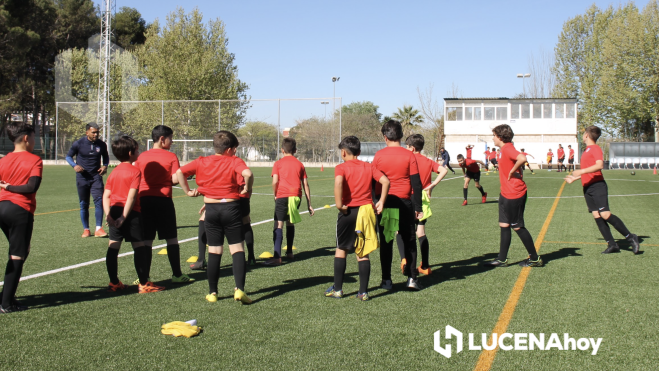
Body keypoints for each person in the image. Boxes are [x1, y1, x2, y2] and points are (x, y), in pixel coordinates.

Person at [176, 131, 254, 303]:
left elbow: (179, 172)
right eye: (234, 149)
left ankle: (213, 293)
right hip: (232, 209)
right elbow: (248, 174)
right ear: (229, 149)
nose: (235, 152)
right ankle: (239, 290)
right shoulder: (234, 161)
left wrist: (188, 191)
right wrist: (246, 189)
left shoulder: (202, 161)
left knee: (214, 251)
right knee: (237, 249)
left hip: (210, 210)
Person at [325, 136, 390, 300]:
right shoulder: (368, 167)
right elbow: (385, 181)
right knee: (363, 251)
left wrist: (339, 205)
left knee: (341, 249)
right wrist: (381, 201)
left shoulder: (341, 167)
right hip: (367, 212)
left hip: (348, 211)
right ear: (359, 152)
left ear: (343, 152)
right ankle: (363, 292)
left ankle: (338, 290)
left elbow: (339, 183)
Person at [564, 126, 640, 254]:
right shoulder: (587, 150)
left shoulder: (595, 148)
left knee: (605, 214)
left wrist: (580, 171)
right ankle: (612, 244)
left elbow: (599, 165)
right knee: (596, 215)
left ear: (587, 135)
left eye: (583, 133)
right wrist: (574, 178)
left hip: (597, 186)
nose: (582, 135)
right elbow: (590, 171)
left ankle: (630, 237)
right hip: (587, 187)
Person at [103, 136, 164, 294]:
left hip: (114, 210)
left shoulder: (114, 172)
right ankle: (144, 284)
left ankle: (114, 282)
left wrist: (109, 215)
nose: (139, 152)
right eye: (137, 149)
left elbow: (106, 196)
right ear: (130, 153)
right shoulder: (135, 171)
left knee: (113, 246)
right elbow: (131, 196)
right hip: (130, 212)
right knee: (139, 246)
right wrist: (124, 216)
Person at [134, 125, 193, 284]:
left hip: (144, 200)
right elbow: (175, 179)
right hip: (163, 201)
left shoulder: (141, 157)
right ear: (162, 139)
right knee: (171, 239)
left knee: (147, 240)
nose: (172, 142)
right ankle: (177, 274)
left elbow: (135, 178)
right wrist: (186, 174)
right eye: (171, 139)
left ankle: (144, 277)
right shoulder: (171, 156)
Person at [372, 120, 423, 290]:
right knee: (409, 241)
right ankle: (412, 278)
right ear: (401, 136)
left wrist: (375, 201)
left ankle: (386, 280)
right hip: (405, 203)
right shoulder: (409, 155)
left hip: (385, 203)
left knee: (387, 242)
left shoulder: (379, 156)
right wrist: (419, 208)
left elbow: (372, 180)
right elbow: (416, 183)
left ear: (385, 137)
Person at [484, 125, 543, 267]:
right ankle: (502, 259)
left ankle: (535, 259)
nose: (492, 138)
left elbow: (522, 158)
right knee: (504, 224)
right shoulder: (504, 150)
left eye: (493, 135)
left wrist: (512, 171)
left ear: (500, 137)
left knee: (517, 226)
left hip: (514, 193)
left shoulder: (508, 148)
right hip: (505, 192)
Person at [0, 123, 43, 313]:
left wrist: (6, 187)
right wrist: (10, 187)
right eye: (34, 137)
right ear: (26, 138)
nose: (35, 141)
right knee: (17, 255)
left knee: (22, 250)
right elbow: (31, 187)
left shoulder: (3, 160)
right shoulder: (34, 160)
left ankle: (7, 295)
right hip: (19, 210)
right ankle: (6, 303)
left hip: (1, 207)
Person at [395, 134, 448, 276]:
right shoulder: (428, 161)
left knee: (399, 231)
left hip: (406, 198)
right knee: (421, 233)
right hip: (422, 199)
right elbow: (444, 170)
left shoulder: (406, 159)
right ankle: (425, 266)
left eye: (407, 146)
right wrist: (432, 185)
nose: (405, 149)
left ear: (412, 148)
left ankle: (404, 260)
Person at [263, 138, 314, 266]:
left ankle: (277, 257)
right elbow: (306, 185)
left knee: (278, 225)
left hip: (282, 196)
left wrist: (276, 194)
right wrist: (309, 204)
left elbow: (275, 181)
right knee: (290, 223)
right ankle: (290, 252)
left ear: (282, 150)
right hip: (296, 196)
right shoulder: (300, 164)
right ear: (295, 150)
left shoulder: (278, 163)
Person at [66, 123, 110, 238]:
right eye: (93, 132)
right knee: (84, 204)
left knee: (99, 201)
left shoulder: (101, 144)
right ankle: (86, 229)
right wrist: (74, 165)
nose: (96, 134)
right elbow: (68, 156)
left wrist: (105, 166)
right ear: (87, 132)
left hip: (96, 177)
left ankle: (98, 228)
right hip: (82, 177)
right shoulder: (79, 143)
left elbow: (106, 156)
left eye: (97, 132)